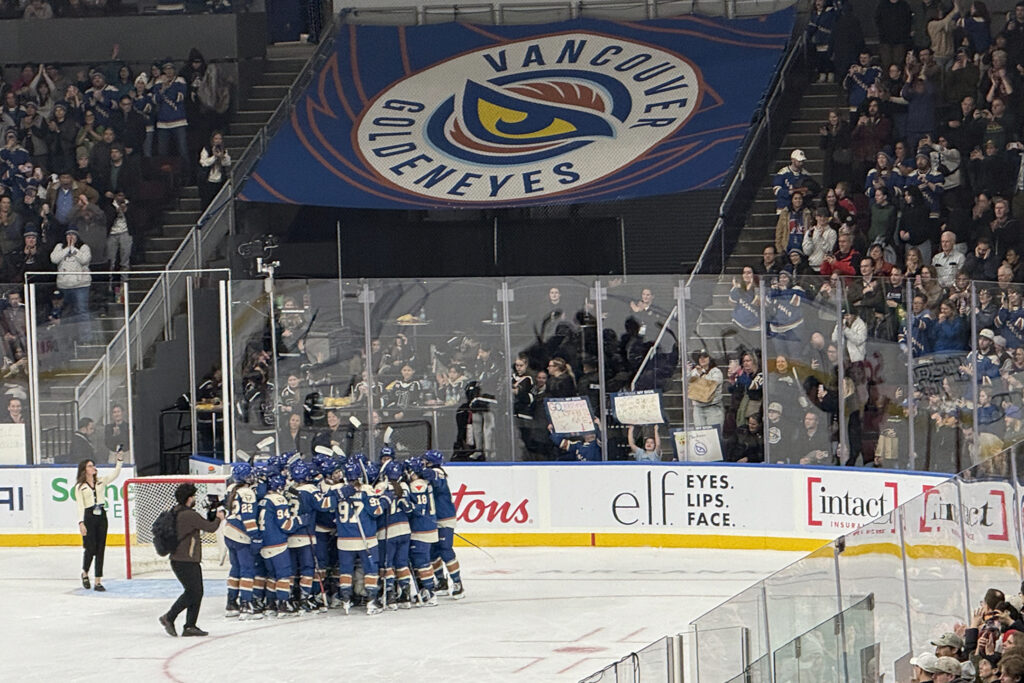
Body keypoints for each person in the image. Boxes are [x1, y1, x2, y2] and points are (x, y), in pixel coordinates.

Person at [159, 482, 226, 637]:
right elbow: (210, 527)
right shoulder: (189, 515)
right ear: (189, 498)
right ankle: (170, 617)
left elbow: (203, 524)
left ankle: (190, 625)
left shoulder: (177, 511)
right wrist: (219, 518)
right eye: (194, 496)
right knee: (193, 592)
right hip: (186, 560)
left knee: (195, 592)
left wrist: (212, 515)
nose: (195, 498)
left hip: (181, 559)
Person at [75, 449, 123, 591]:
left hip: (101, 514)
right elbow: (80, 506)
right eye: (90, 466)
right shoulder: (80, 487)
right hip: (89, 516)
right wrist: (81, 522)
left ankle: (98, 581)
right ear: (84, 470)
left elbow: (115, 474)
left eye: (93, 465)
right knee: (90, 548)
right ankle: (85, 572)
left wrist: (119, 461)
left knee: (101, 548)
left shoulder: (101, 481)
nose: (93, 468)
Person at [198, 130, 230, 208]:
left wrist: (222, 156)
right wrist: (214, 157)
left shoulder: (224, 150)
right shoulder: (207, 149)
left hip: (220, 180)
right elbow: (204, 163)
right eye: (216, 139)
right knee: (207, 203)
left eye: (220, 139)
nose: (218, 141)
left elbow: (227, 163)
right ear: (212, 140)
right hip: (208, 180)